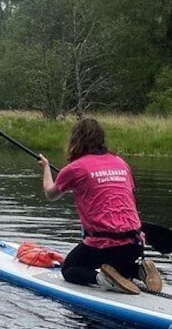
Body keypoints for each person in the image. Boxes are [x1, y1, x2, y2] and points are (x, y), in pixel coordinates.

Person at [38, 118, 162, 295]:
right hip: (135, 243)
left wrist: (46, 169)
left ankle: (102, 279)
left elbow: (50, 194)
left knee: (70, 269)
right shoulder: (121, 162)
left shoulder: (74, 168)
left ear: (76, 140)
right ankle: (139, 269)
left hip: (104, 245)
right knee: (123, 270)